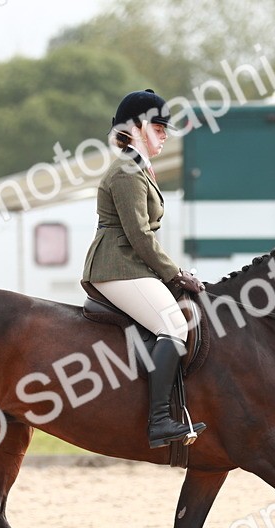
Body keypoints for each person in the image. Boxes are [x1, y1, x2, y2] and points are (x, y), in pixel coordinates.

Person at [83, 89, 207, 449]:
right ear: (136, 128)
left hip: (130, 265)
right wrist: (174, 274)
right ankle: (159, 421)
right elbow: (139, 234)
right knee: (174, 324)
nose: (165, 134)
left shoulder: (138, 167)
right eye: (158, 127)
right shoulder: (126, 170)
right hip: (115, 265)